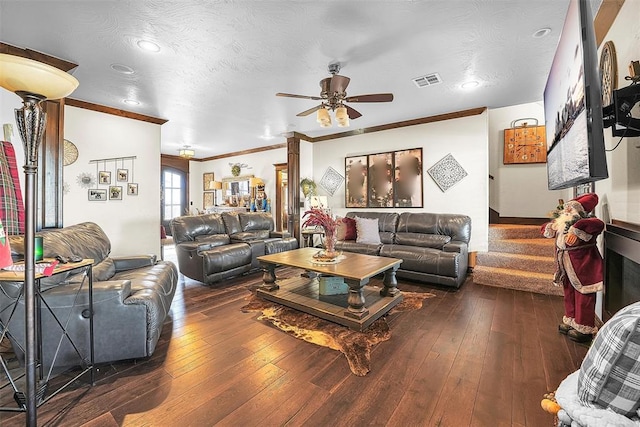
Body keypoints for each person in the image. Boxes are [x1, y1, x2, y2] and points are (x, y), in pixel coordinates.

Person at [541, 193, 604, 342]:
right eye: (566, 209)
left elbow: (598, 224)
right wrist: (551, 226)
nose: (566, 211)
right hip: (566, 266)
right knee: (569, 293)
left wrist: (576, 229)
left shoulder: (584, 223)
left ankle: (584, 326)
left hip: (582, 268)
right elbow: (545, 228)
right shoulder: (562, 224)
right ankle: (571, 320)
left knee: (583, 295)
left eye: (570, 208)